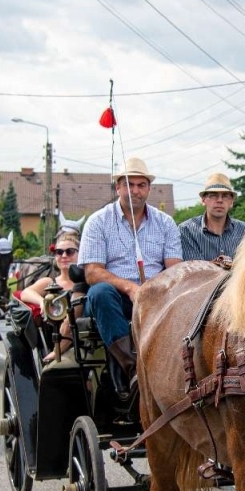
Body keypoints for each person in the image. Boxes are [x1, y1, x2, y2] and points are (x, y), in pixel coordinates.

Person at [80, 157, 181, 376]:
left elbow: (175, 271)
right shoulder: (98, 222)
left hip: (155, 298)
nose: (135, 190)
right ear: (118, 187)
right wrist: (129, 288)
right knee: (100, 292)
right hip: (113, 300)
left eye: (141, 185)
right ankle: (132, 369)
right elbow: (92, 272)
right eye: (128, 184)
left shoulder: (166, 223)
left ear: (148, 189)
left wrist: (152, 291)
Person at [18, 230, 81, 363]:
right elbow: (25, 293)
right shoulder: (49, 282)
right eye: (59, 252)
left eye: (70, 251)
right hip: (54, 339)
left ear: (79, 254)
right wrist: (42, 302)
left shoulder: (85, 284)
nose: (64, 256)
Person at [179, 172, 245, 265]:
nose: (219, 200)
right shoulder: (187, 230)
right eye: (213, 195)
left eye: (225, 196)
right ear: (203, 200)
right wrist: (224, 264)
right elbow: (195, 272)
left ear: (231, 201)